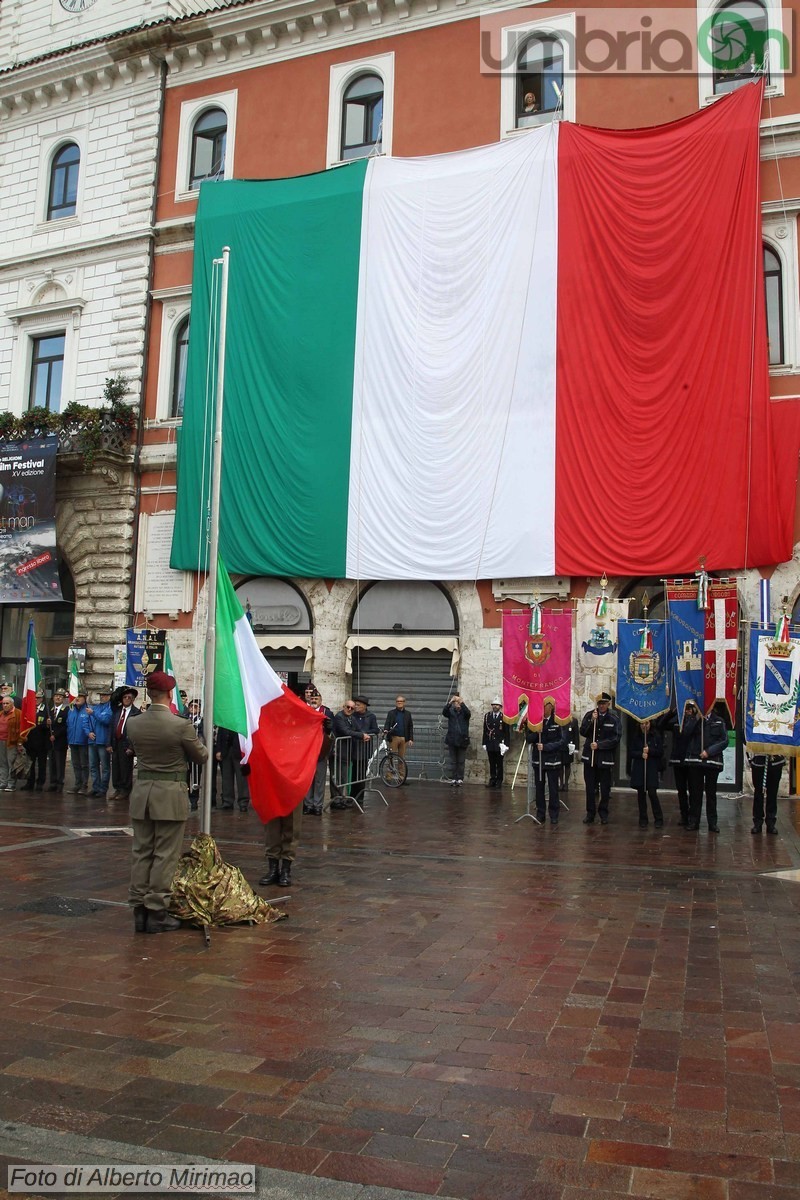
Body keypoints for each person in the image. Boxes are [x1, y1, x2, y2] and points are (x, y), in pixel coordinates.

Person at [126, 670, 208, 934]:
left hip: (143, 793)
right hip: (170, 793)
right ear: (170, 694)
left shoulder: (134, 723)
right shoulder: (180, 725)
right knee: (165, 854)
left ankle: (139, 908)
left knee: (142, 852)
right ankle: (156, 910)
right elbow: (201, 756)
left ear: (150, 694)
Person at [685, 700, 727, 833]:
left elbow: (724, 740)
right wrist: (696, 718)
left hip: (712, 762)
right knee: (695, 794)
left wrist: (709, 751)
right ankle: (693, 821)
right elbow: (686, 733)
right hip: (696, 762)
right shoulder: (694, 719)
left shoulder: (719, 721)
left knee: (711, 794)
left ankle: (712, 823)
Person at [580, 692, 621, 825]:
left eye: (604, 703)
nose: (601, 706)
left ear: (608, 704)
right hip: (590, 757)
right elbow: (583, 732)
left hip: (604, 757)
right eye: (599, 704)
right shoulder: (590, 715)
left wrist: (600, 745)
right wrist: (592, 721)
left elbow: (616, 738)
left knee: (605, 788)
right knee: (590, 788)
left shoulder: (613, 718)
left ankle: (603, 813)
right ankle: (590, 813)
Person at [526, 698, 563, 824]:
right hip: (539, 761)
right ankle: (540, 813)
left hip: (552, 760)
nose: (543, 708)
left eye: (545, 705)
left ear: (551, 707)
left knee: (553, 789)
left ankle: (554, 814)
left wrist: (546, 747)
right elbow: (528, 738)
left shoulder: (558, 721)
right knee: (539, 788)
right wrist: (537, 732)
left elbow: (561, 741)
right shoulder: (535, 721)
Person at [302, 683, 333, 815]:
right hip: (306, 751)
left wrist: (329, 727)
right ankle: (308, 804)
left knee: (320, 779)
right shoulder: (303, 709)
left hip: (320, 750)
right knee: (307, 779)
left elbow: (332, 732)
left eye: (316, 699)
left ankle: (317, 805)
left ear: (321, 700)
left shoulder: (326, 711)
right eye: (312, 699)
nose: (314, 701)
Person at [629, 719, 664, 829]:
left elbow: (660, 752)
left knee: (652, 793)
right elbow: (631, 752)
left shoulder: (655, 736)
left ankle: (658, 818)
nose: (644, 726)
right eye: (642, 724)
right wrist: (640, 754)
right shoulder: (636, 736)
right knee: (641, 794)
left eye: (647, 723)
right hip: (640, 768)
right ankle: (643, 818)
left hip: (651, 768)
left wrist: (650, 751)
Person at [110, 685, 140, 800]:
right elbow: (111, 727)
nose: (126, 699)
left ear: (132, 700)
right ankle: (117, 788)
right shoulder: (117, 710)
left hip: (126, 743)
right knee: (116, 767)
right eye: (125, 697)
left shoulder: (136, 712)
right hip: (116, 742)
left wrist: (131, 747)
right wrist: (109, 744)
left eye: (129, 697)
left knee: (125, 768)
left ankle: (125, 790)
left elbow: (137, 732)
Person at [351, 695, 379, 807]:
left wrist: (365, 733)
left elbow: (375, 729)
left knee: (361, 774)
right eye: (355, 704)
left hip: (364, 749)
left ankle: (360, 797)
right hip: (353, 748)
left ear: (364, 706)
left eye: (358, 705)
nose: (356, 707)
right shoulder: (352, 715)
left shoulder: (371, 716)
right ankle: (352, 795)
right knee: (353, 774)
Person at [214, 725, 251, 811]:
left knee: (241, 778)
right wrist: (219, 750)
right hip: (226, 750)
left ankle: (243, 802)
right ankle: (227, 802)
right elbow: (220, 734)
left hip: (240, 751)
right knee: (226, 777)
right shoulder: (225, 717)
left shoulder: (242, 715)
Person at [20, 691, 50, 792]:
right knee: (30, 764)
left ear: (42, 699)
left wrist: (47, 724)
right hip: (30, 742)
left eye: (38, 698)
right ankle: (30, 782)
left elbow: (48, 726)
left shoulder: (46, 710)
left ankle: (40, 783)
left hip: (42, 742)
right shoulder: (28, 709)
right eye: (34, 698)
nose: (36, 699)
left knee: (42, 764)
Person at [86, 687, 113, 799]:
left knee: (105, 767)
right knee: (93, 766)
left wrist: (93, 714)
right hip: (92, 740)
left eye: (104, 695)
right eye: (101, 695)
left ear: (109, 696)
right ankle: (95, 787)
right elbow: (86, 721)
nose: (102, 697)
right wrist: (88, 732)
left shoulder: (110, 708)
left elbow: (106, 720)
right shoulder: (95, 707)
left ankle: (103, 789)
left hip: (103, 741)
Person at [748, 751, 784, 835]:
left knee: (772, 793)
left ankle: (771, 822)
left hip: (776, 760)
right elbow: (744, 738)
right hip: (759, 760)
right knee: (758, 793)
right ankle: (757, 822)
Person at [330, 700, 356, 809]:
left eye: (352, 708)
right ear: (343, 706)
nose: (349, 709)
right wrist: (361, 735)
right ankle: (336, 800)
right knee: (336, 776)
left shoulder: (352, 718)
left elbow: (356, 728)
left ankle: (341, 797)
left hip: (347, 752)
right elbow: (345, 731)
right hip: (337, 751)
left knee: (343, 777)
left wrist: (363, 733)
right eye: (347, 707)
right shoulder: (339, 717)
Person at [443, 694, 471, 785]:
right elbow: (444, 712)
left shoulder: (465, 713)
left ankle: (460, 778)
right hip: (452, 739)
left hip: (462, 740)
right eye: (456, 703)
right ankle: (454, 777)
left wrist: (461, 702)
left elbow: (468, 713)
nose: (457, 704)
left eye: (458, 702)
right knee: (453, 761)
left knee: (461, 761)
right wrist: (450, 702)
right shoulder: (451, 712)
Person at [66, 692, 91, 794]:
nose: (77, 699)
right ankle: (77, 784)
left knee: (84, 764)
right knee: (75, 764)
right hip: (73, 741)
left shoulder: (88, 710)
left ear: (85, 698)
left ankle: (84, 785)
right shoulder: (71, 709)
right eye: (76, 697)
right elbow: (68, 724)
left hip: (83, 741)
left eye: (80, 697)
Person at [482, 698, 509, 788]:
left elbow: (506, 732)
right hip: (490, 743)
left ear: (500, 707)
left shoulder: (503, 717)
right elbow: (485, 730)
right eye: (493, 704)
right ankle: (492, 779)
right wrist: (484, 743)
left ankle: (499, 781)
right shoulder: (487, 716)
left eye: (497, 705)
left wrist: (506, 745)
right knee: (492, 763)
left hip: (499, 744)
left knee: (499, 764)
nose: (495, 706)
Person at [383, 696, 414, 769]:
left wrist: (411, 739)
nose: (399, 703)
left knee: (402, 759)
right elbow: (387, 723)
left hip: (404, 739)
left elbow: (410, 726)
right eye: (397, 701)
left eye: (401, 701)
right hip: (393, 738)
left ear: (404, 702)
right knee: (391, 758)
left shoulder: (408, 714)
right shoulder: (391, 713)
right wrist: (386, 729)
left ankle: (401, 777)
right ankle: (389, 777)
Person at [48, 689, 69, 791]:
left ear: (63, 699)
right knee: (52, 763)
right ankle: (53, 782)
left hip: (60, 741)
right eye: (56, 696)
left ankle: (60, 783)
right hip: (51, 742)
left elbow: (65, 726)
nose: (58, 698)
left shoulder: (66, 710)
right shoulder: (50, 711)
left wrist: (56, 735)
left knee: (60, 763)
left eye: (60, 696)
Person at [186, 699, 204, 810]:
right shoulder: (184, 719)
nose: (193, 708)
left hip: (196, 752)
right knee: (185, 778)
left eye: (196, 707)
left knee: (196, 777)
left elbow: (203, 734)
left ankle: (194, 800)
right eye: (191, 706)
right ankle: (185, 797)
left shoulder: (202, 721)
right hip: (185, 753)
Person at [0, 695, 21, 791]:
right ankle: (3, 782)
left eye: (7, 703)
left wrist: (20, 742)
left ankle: (11, 783)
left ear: (12, 704)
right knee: (2, 763)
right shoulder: (0, 714)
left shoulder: (18, 714)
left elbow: (22, 730)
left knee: (11, 763)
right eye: (3, 703)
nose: (5, 705)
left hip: (12, 742)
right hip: (1, 741)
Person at [561, 714, 580, 791]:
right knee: (560, 765)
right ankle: (561, 783)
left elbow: (576, 735)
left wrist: (576, 747)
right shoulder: (558, 719)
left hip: (569, 746)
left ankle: (566, 783)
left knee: (567, 764)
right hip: (560, 745)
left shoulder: (573, 720)